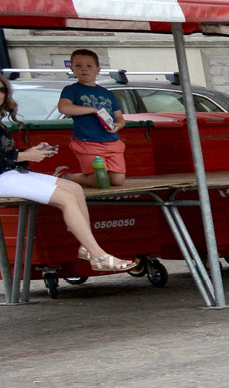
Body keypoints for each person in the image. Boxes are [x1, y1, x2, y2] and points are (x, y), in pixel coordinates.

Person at [0, 77, 134, 272]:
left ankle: (87, 248)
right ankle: (98, 255)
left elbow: (5, 152)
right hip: (4, 177)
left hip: (11, 172)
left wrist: (33, 152)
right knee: (66, 198)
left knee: (74, 188)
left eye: (2, 89)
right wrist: (24, 155)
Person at [55, 49, 125, 188]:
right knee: (98, 181)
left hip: (112, 142)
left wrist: (118, 125)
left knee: (117, 181)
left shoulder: (107, 93)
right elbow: (64, 108)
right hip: (87, 142)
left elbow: (119, 117)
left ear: (98, 69)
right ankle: (67, 177)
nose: (84, 69)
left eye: (89, 66)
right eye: (78, 66)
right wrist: (93, 110)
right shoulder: (71, 89)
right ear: (72, 68)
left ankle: (71, 177)